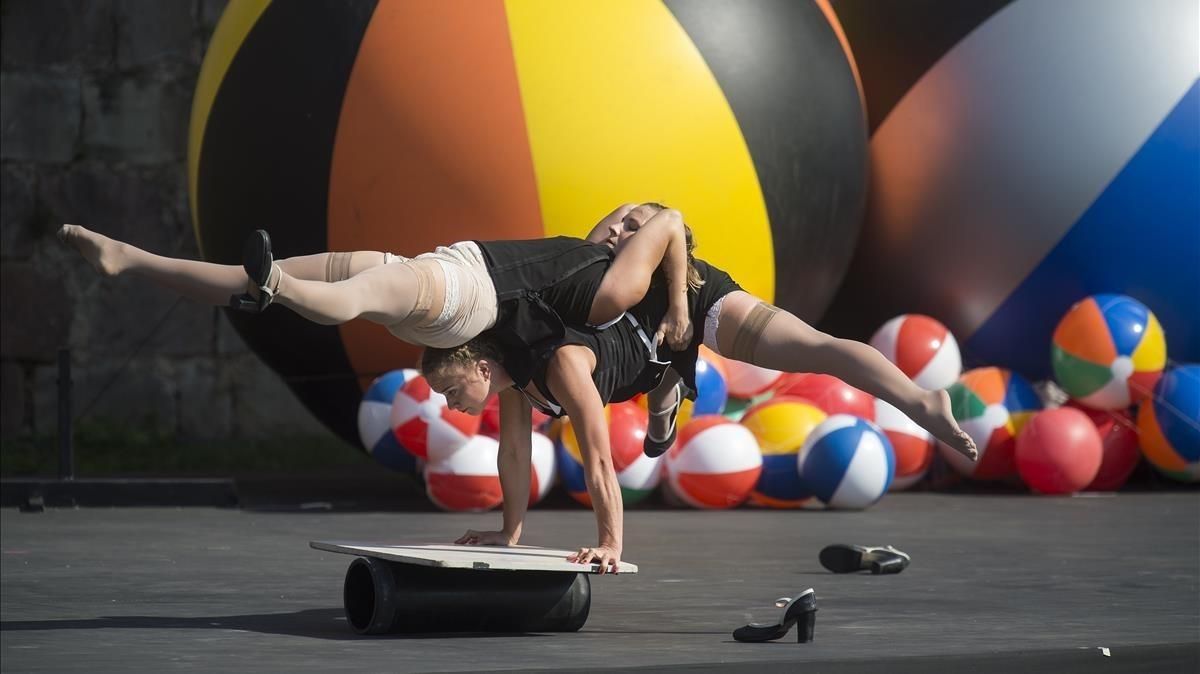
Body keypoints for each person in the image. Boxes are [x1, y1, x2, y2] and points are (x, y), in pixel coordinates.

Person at [421, 213, 977, 571]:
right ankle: (668, 383)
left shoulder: (570, 352)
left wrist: (611, 543)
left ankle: (920, 401)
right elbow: (513, 451)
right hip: (639, 349)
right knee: (642, 348)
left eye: (449, 391)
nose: (451, 405)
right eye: (616, 226)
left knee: (818, 349)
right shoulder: (524, 361)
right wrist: (508, 532)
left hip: (693, 301)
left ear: (480, 366)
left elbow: (597, 459)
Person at [56, 203, 696, 364]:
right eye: (620, 219)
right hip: (444, 269)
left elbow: (668, 217)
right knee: (237, 281)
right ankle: (127, 258)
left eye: (631, 231)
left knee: (354, 295)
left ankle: (275, 282)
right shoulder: (581, 257)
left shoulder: (614, 291)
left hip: (465, 293)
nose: (620, 226)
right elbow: (650, 215)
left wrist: (677, 304)